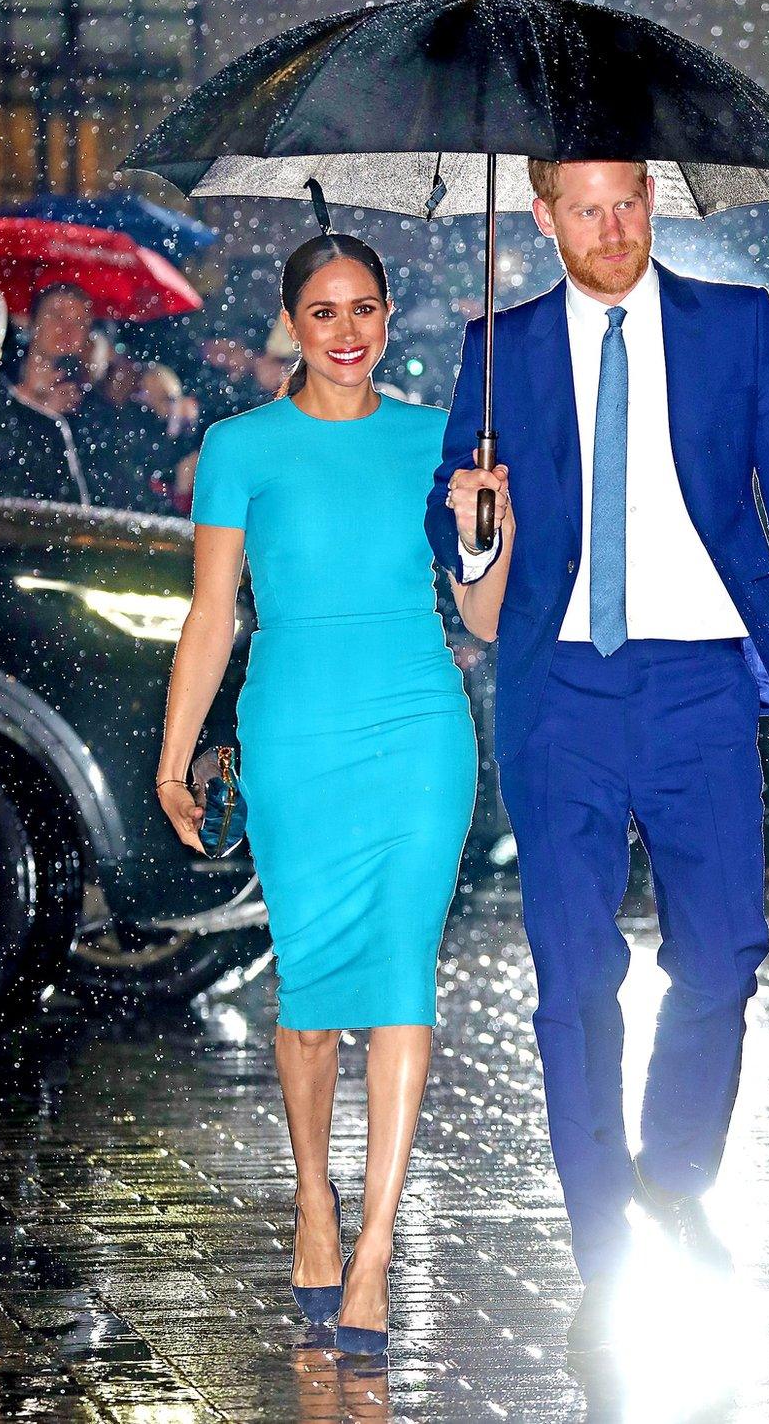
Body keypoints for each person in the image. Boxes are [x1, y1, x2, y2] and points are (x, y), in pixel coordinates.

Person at [425, 158, 769, 1352]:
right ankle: (602, 1238)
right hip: (556, 690)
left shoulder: (734, 326)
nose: (613, 228)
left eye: (629, 203)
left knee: (722, 952)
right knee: (574, 981)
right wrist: (472, 525)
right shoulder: (499, 344)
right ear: (542, 216)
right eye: (587, 209)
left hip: (702, 684)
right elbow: (453, 512)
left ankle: (673, 1172)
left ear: (651, 203)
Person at [155, 233, 478, 1355]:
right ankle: (313, 1197)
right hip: (293, 730)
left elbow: (480, 618)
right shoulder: (239, 447)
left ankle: (378, 1244)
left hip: (418, 731)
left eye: (367, 310)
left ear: (390, 318)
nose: (348, 332)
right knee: (308, 995)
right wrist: (173, 753)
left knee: (400, 981)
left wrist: (481, 536)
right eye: (325, 312)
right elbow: (211, 614)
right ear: (292, 322)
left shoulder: (441, 442)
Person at [0, 284, 89, 504]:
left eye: (79, 322)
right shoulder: (1, 381)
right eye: (57, 315)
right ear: (31, 322)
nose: (67, 328)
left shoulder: (94, 408)